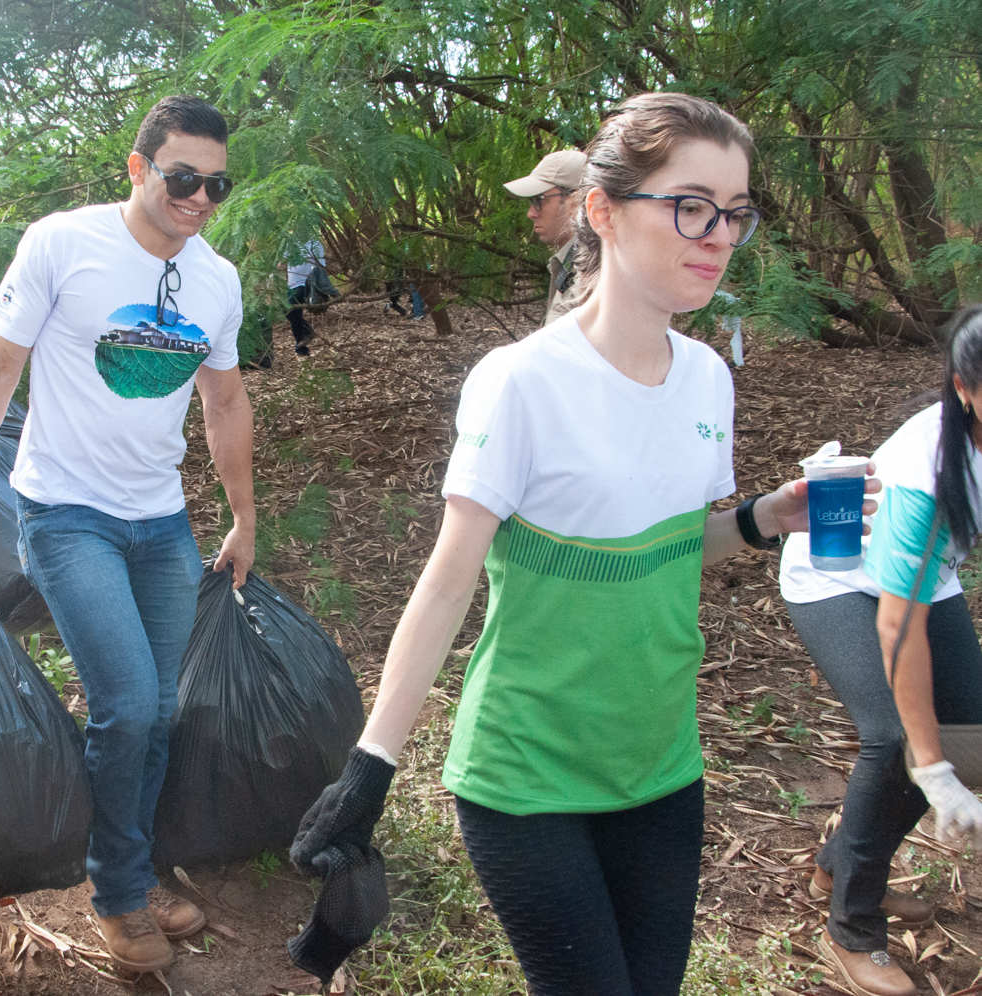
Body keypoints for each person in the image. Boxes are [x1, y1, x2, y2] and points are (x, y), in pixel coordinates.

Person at [288, 92, 879, 994]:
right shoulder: (521, 383)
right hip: (529, 774)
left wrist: (764, 519)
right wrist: (371, 769)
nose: (717, 234)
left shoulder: (708, 381)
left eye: (734, 213)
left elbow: (663, 551)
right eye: (690, 205)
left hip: (661, 763)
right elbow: (447, 585)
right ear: (602, 211)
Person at [0, 95, 255, 976]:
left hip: (161, 518)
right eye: (183, 178)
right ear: (138, 169)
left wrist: (244, 513)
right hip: (65, 512)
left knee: (161, 710)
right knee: (130, 704)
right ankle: (115, 893)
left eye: (217, 183)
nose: (200, 198)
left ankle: (136, 869)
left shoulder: (215, 279)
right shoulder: (62, 242)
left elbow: (224, 399)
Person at [780, 305, 982, 996]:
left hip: (928, 578)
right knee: (895, 734)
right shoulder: (926, 473)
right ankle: (852, 929)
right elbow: (900, 628)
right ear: (964, 387)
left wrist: (952, 758)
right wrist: (933, 769)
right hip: (837, 579)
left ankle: (839, 865)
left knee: (971, 729)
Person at [504, 148, 588, 329]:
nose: (531, 213)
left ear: (576, 201)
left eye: (539, 200)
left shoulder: (589, 272)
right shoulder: (572, 260)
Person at [285, 239, 325, 357]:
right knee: (294, 314)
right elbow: (281, 265)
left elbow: (321, 266)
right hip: (291, 285)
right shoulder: (290, 243)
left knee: (290, 312)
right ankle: (302, 347)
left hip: (306, 285)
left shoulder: (316, 244)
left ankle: (305, 339)